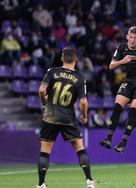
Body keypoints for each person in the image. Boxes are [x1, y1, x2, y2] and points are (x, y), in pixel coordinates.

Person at [37, 47, 96, 188]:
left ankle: (41, 184)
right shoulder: (80, 77)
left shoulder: (52, 71)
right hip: (68, 118)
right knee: (80, 149)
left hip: (50, 117)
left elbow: (41, 90)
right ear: (75, 59)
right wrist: (84, 116)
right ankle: (89, 181)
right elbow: (83, 101)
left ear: (62, 59)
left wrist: (44, 102)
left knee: (45, 151)